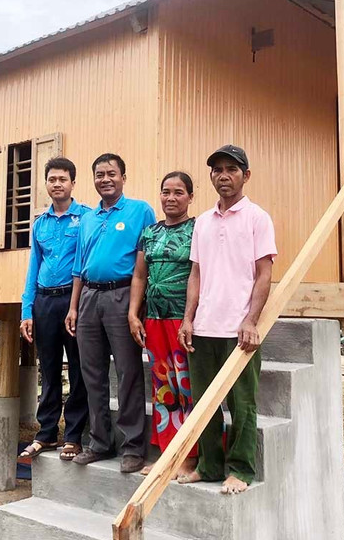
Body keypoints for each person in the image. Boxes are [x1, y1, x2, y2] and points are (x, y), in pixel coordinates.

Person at [178, 145, 276, 495]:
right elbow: (196, 274)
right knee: (203, 404)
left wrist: (251, 320)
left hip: (239, 331)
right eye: (217, 169)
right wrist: (188, 319)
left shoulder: (257, 218)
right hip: (203, 328)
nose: (223, 175)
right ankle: (208, 466)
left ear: (245, 175)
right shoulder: (202, 221)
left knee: (242, 405)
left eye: (231, 169)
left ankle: (241, 470)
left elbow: (264, 274)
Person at [65, 153, 156, 473]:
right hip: (89, 297)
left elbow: (146, 264)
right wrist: (73, 306)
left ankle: (133, 446)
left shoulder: (140, 211)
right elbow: (78, 266)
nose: (105, 179)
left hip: (121, 297)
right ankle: (100, 442)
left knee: (129, 373)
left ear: (123, 177)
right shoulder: (88, 218)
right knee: (92, 374)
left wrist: (137, 306)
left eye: (111, 173)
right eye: (99, 174)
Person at [19, 157, 90, 461]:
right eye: (52, 179)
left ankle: (73, 435)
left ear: (73, 183)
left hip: (74, 301)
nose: (57, 184)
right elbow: (33, 265)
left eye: (63, 179)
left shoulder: (87, 218)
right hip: (45, 301)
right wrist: (27, 309)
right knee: (48, 369)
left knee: (78, 368)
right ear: (46, 184)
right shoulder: (40, 223)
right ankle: (46, 433)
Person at [128, 171, 198, 478]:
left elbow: (201, 274)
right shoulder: (149, 233)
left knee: (187, 387)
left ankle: (192, 457)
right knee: (163, 389)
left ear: (190, 197)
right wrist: (133, 314)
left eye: (179, 192)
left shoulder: (198, 230)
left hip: (183, 321)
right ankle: (168, 455)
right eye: (166, 192)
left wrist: (190, 318)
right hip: (154, 320)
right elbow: (140, 276)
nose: (171, 198)